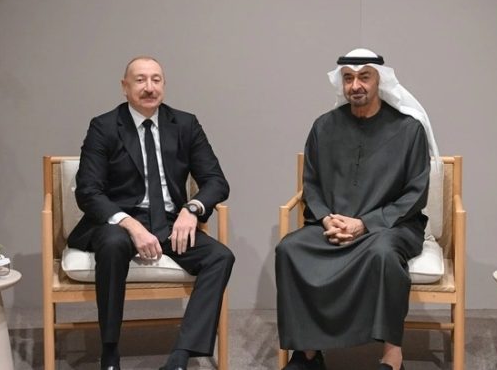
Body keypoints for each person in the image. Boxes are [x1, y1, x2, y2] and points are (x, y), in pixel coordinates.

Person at [275, 48, 440, 370]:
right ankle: (308, 353)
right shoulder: (323, 126)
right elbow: (311, 183)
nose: (356, 85)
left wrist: (364, 224)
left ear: (380, 81)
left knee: (383, 255)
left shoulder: (409, 129)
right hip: (332, 225)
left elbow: (415, 193)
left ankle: (392, 356)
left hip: (391, 226)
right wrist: (326, 219)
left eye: (364, 77)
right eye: (348, 78)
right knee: (289, 249)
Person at [68, 56, 234, 370]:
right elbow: (88, 190)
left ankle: (180, 357)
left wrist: (192, 209)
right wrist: (130, 225)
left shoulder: (185, 124)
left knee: (220, 257)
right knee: (113, 244)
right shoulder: (104, 126)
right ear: (125, 86)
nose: (149, 87)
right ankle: (110, 351)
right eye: (140, 80)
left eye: (156, 80)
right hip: (119, 221)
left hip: (169, 222)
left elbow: (215, 181)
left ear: (164, 85)